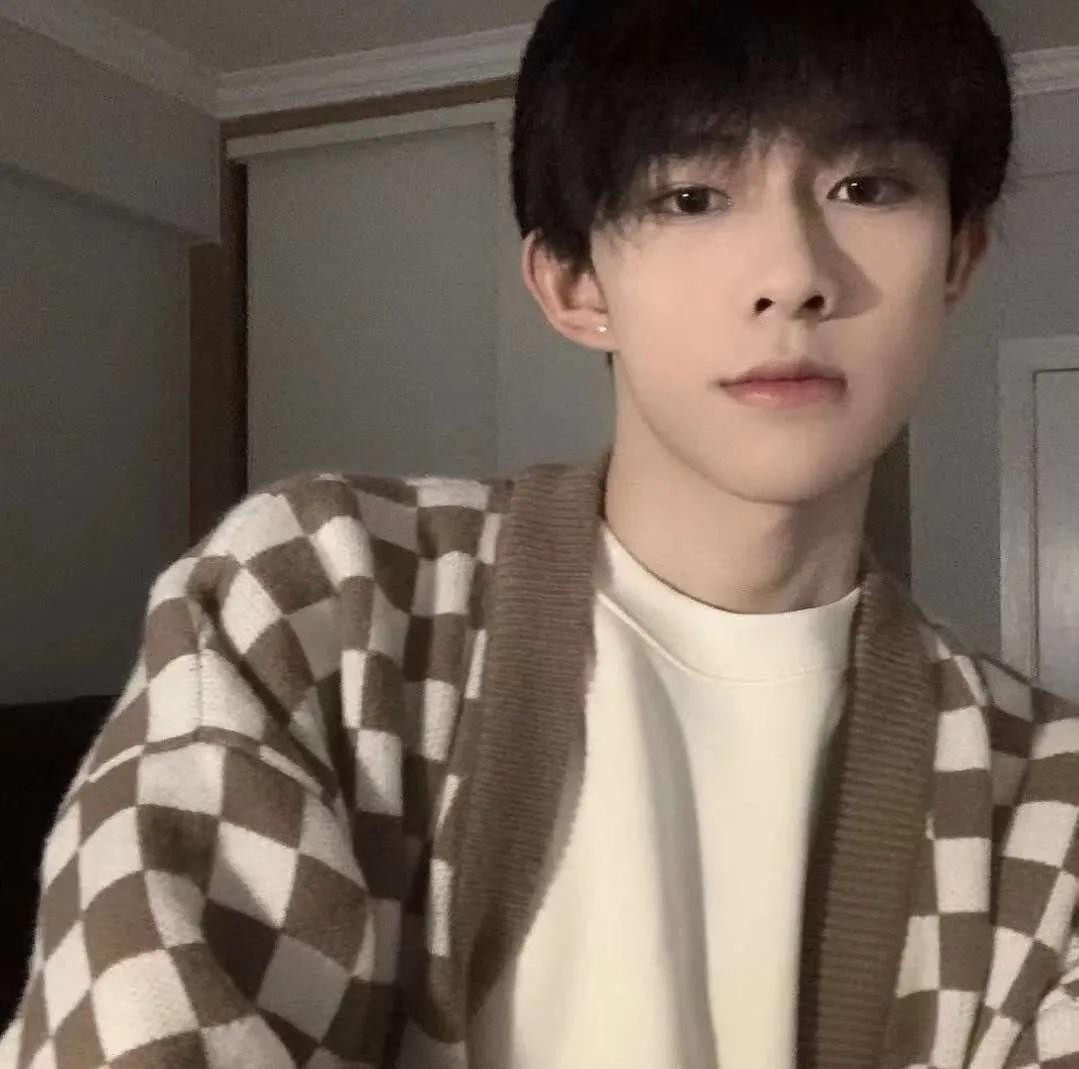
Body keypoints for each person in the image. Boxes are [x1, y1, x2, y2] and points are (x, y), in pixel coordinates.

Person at [4, 0, 1078, 1066]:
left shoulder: (1045, 796)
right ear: (572, 284)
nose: (793, 275)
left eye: (866, 188)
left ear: (955, 257)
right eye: (692, 196)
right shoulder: (327, 602)